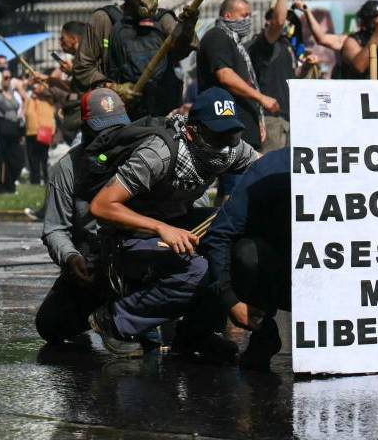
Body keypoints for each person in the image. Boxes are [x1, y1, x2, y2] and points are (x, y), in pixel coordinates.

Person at [87, 87, 260, 361]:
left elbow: (266, 168)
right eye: (218, 136)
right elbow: (101, 206)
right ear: (192, 132)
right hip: (129, 235)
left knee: (237, 247)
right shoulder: (159, 154)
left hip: (176, 222)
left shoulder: (230, 149)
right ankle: (115, 320)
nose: (226, 145)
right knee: (201, 268)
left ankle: (196, 333)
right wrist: (160, 228)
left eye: (232, 135)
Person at [35, 87, 132, 345]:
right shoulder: (67, 167)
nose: (110, 137)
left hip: (137, 261)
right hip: (93, 263)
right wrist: (70, 257)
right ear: (86, 127)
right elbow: (55, 228)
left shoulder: (144, 156)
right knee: (50, 324)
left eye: (117, 128)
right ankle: (102, 313)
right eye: (102, 130)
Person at [201, 148, 290, 371]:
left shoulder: (372, 168)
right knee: (246, 253)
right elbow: (220, 235)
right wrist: (230, 301)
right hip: (280, 273)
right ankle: (262, 332)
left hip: (345, 279)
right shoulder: (272, 168)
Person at [72, 0, 197, 118]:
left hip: (160, 113)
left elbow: (182, 50)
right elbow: (82, 68)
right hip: (116, 112)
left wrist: (187, 28)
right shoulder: (104, 19)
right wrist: (113, 88)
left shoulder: (163, 20)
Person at [198, 0, 277, 156]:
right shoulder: (217, 37)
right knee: (236, 180)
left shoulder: (236, 45)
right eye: (244, 16)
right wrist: (261, 99)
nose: (248, 21)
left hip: (245, 130)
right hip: (228, 130)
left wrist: (257, 117)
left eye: (249, 16)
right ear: (228, 16)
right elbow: (225, 76)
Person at [248, 0, 296, 152]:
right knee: (271, 175)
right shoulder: (262, 44)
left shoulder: (285, 45)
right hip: (271, 120)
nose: (285, 21)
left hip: (287, 119)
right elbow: (279, 21)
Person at [0, 72, 25, 194]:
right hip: (2, 128)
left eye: (10, 77)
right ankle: (0, 187)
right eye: (5, 78)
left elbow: (24, 100)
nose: (8, 80)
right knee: (0, 159)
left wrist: (21, 114)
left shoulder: (14, 93)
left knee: (17, 160)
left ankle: (9, 184)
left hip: (15, 128)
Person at [24, 81, 56, 185]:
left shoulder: (48, 100)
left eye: (36, 87)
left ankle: (46, 178)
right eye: (33, 88)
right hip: (31, 132)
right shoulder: (30, 100)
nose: (34, 89)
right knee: (33, 159)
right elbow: (25, 113)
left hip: (44, 131)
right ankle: (35, 180)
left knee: (44, 158)